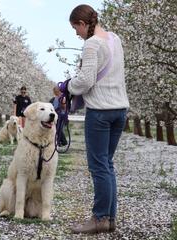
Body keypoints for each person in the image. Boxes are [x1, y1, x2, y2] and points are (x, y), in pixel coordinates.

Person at [59, 4, 129, 234]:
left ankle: (99, 218)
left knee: (99, 167)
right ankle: (109, 220)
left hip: (100, 111)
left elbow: (85, 81)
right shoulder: (114, 39)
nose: (76, 34)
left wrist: (67, 85)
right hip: (120, 110)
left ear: (82, 23)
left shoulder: (92, 44)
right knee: (106, 165)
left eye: (75, 28)